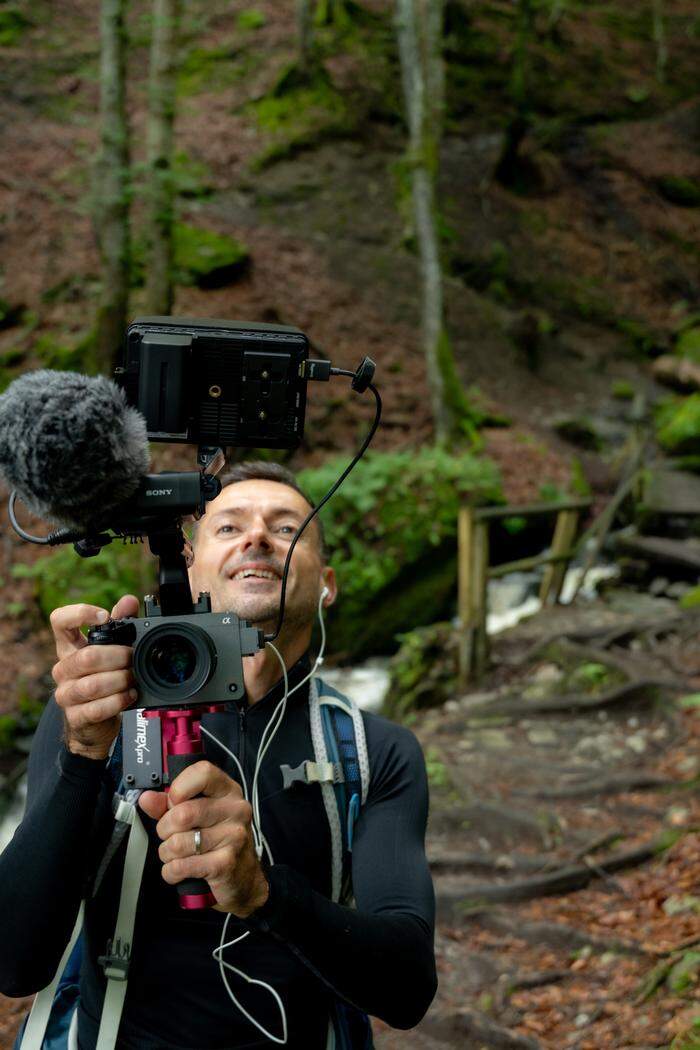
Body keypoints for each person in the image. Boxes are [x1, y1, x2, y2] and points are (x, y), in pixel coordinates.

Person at [0, 461, 437, 1049]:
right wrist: (81, 756)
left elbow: (407, 988)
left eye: (286, 529)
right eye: (228, 528)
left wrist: (263, 893)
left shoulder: (371, 750)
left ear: (327, 582)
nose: (257, 536)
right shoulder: (104, 711)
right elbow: (14, 962)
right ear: (187, 562)